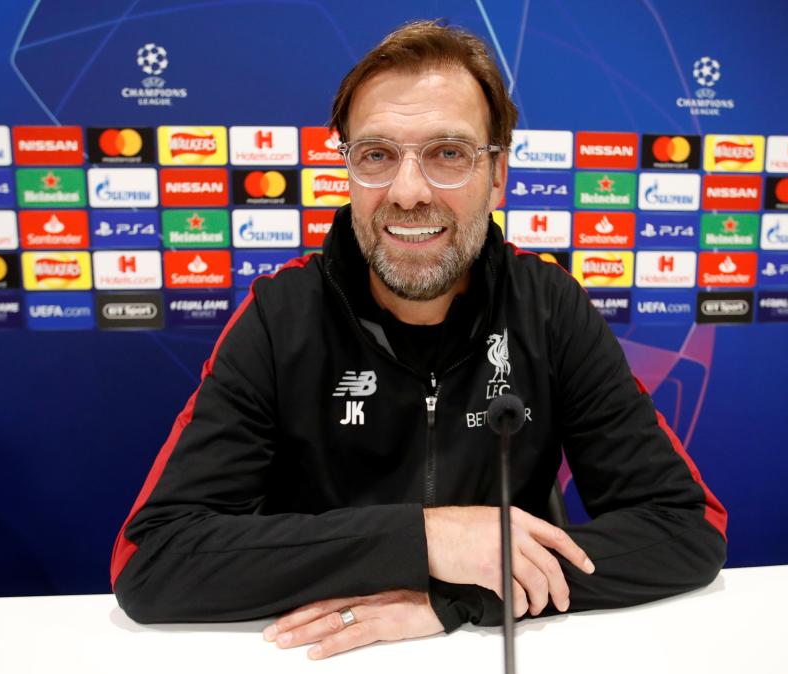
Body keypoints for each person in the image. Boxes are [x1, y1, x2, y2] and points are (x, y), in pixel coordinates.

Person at [110, 19, 727, 661]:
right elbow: (153, 557)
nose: (407, 192)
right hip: (315, 654)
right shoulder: (279, 316)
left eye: (448, 154)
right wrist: (427, 540)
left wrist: (461, 599)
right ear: (347, 169)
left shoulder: (547, 306)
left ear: (498, 175)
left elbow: (685, 526)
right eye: (377, 155)